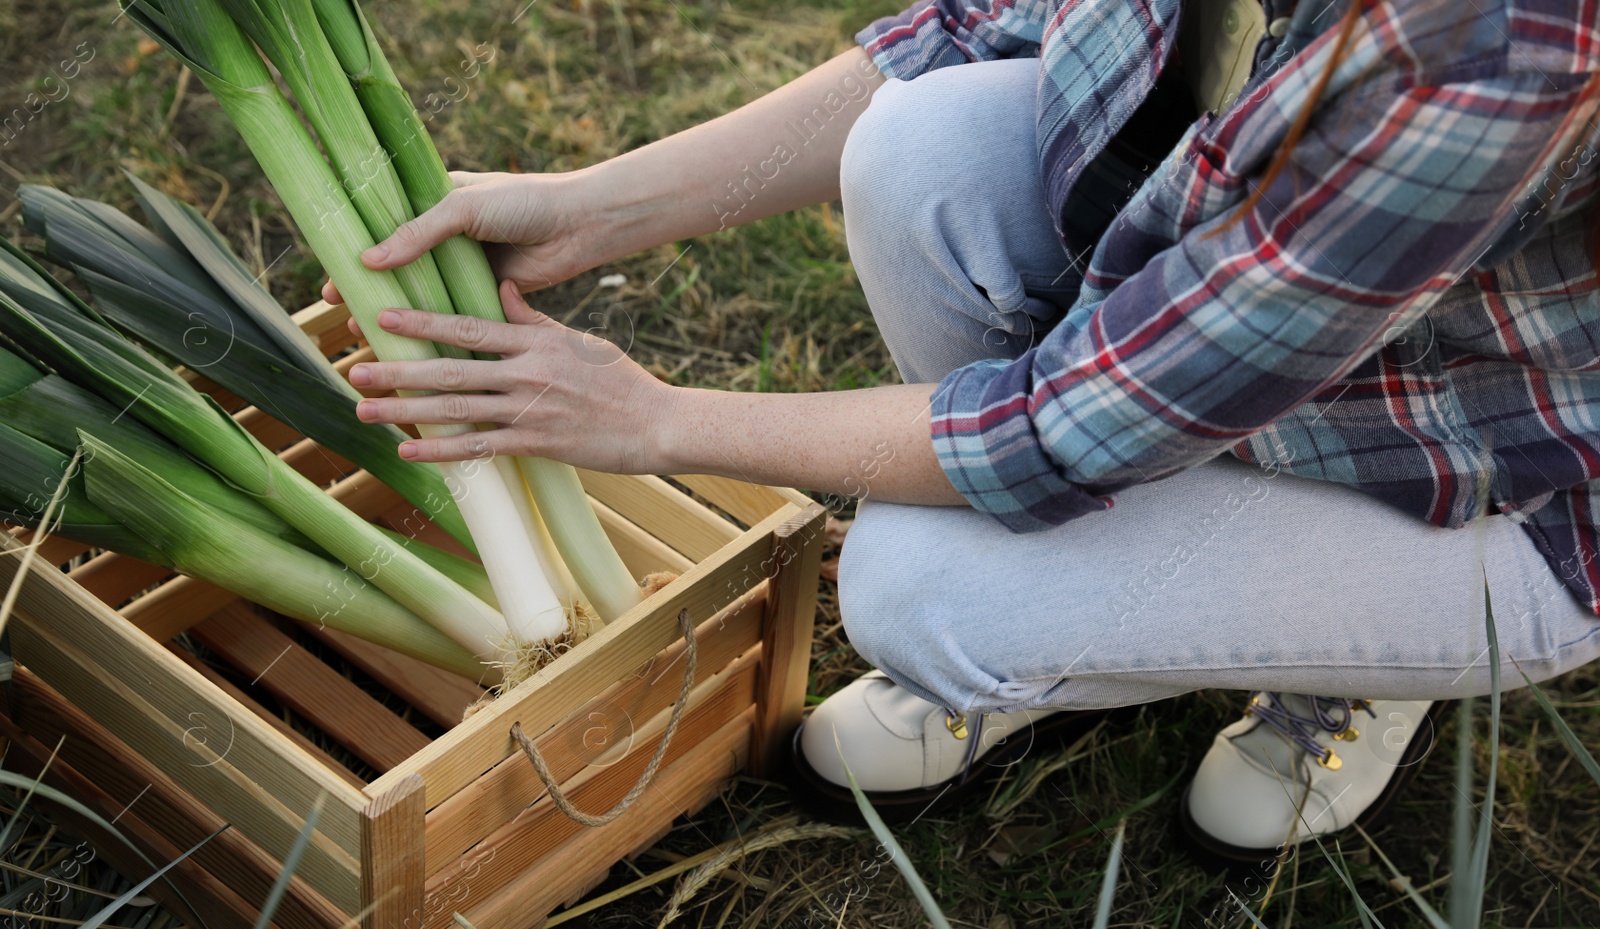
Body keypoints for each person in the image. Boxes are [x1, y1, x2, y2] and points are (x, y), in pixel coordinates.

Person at [332, 0, 1600, 862]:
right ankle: (1062, 635)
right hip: (1217, 347)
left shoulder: (1492, 42)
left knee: (916, 590)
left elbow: (1064, 426)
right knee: (919, 145)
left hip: (1489, 458)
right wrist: (589, 207)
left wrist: (656, 420)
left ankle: (1355, 669)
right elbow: (965, 25)